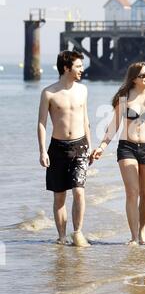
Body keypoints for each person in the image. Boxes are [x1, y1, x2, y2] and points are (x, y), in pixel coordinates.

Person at [91, 62, 145, 245]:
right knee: (132, 192)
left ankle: (142, 232)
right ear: (134, 79)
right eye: (144, 75)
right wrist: (102, 146)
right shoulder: (123, 97)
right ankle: (133, 236)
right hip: (127, 148)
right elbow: (114, 125)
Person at [37, 50, 91, 247]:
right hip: (57, 148)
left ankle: (78, 233)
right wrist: (42, 150)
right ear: (66, 68)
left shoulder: (83, 90)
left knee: (79, 191)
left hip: (80, 146)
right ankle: (61, 236)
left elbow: (85, 119)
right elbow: (42, 123)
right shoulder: (49, 93)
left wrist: (90, 145)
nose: (81, 70)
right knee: (59, 196)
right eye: (78, 66)